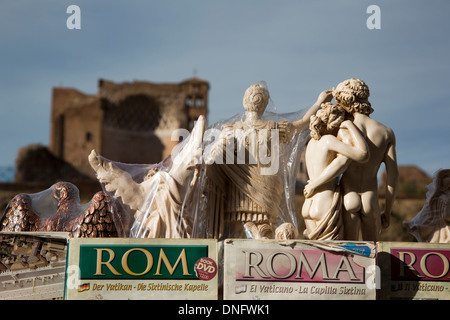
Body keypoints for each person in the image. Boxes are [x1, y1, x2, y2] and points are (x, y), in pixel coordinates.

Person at [205, 83, 333, 239]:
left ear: (245, 103)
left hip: (241, 184)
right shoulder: (273, 127)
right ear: (265, 105)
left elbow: (215, 155)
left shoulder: (232, 129)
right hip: (266, 185)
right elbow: (303, 123)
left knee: (236, 229)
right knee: (264, 228)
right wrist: (319, 102)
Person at [307, 78, 398, 241]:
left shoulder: (342, 128)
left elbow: (336, 163)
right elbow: (393, 177)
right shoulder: (386, 132)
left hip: (348, 195)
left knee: (351, 254)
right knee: (373, 254)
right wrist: (388, 212)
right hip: (371, 196)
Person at [302, 102, 369, 240]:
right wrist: (350, 125)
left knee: (315, 256)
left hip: (308, 204)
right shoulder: (329, 141)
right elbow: (363, 154)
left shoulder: (310, 143)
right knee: (333, 258)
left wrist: (312, 185)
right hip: (324, 203)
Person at [404, 169, 450, 243]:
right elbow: (447, 215)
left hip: (438, 227)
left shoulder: (437, 197)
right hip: (444, 227)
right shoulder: (446, 197)